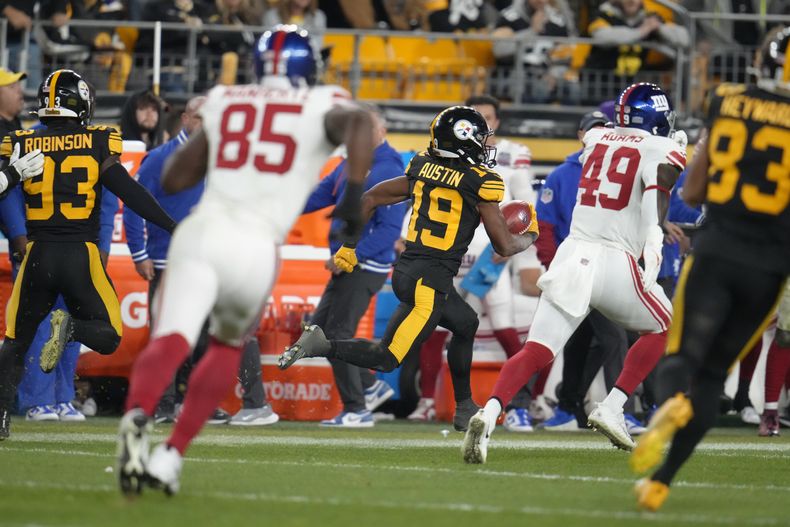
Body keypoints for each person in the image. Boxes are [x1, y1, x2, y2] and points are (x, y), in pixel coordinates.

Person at [116, 25, 375, 496]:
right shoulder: (321, 101)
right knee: (226, 347)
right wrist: (353, 196)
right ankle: (171, 455)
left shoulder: (224, 98)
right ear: (308, 65)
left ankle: (137, 415)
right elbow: (360, 123)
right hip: (254, 244)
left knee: (172, 336)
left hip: (200, 231)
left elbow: (174, 178)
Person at [278, 105, 539, 433]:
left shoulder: (423, 165)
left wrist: (349, 246)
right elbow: (504, 245)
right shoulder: (480, 182)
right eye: (480, 137)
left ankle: (464, 406)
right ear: (465, 140)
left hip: (410, 271)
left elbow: (369, 198)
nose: (486, 144)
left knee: (465, 323)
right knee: (386, 357)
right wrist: (530, 235)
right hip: (428, 283)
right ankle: (321, 345)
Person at [462, 82, 686, 464]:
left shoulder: (596, 137)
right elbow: (656, 194)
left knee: (537, 350)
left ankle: (489, 411)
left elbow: (616, 153)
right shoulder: (659, 147)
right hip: (613, 259)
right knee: (664, 326)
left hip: (572, 254)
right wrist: (654, 240)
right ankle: (613, 406)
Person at [630, 28, 790, 511]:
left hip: (718, 247)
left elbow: (694, 192)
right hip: (771, 265)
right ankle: (660, 483)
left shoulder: (727, 100)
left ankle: (671, 403)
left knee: (683, 355)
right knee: (714, 374)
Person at [0, 69, 178, 440]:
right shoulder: (98, 140)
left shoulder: (21, 142)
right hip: (80, 254)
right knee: (108, 334)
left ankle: (1, 419)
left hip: (36, 255)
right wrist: (172, 226)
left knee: (16, 342)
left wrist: (12, 175)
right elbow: (128, 191)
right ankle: (71, 328)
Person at [301, 104, 406, 428]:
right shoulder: (349, 163)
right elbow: (316, 197)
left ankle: (356, 408)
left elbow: (389, 230)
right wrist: (277, 205)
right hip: (347, 264)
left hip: (365, 265)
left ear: (381, 131)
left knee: (335, 334)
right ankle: (370, 386)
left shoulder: (389, 168)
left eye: (363, 128)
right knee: (318, 332)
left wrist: (350, 255)